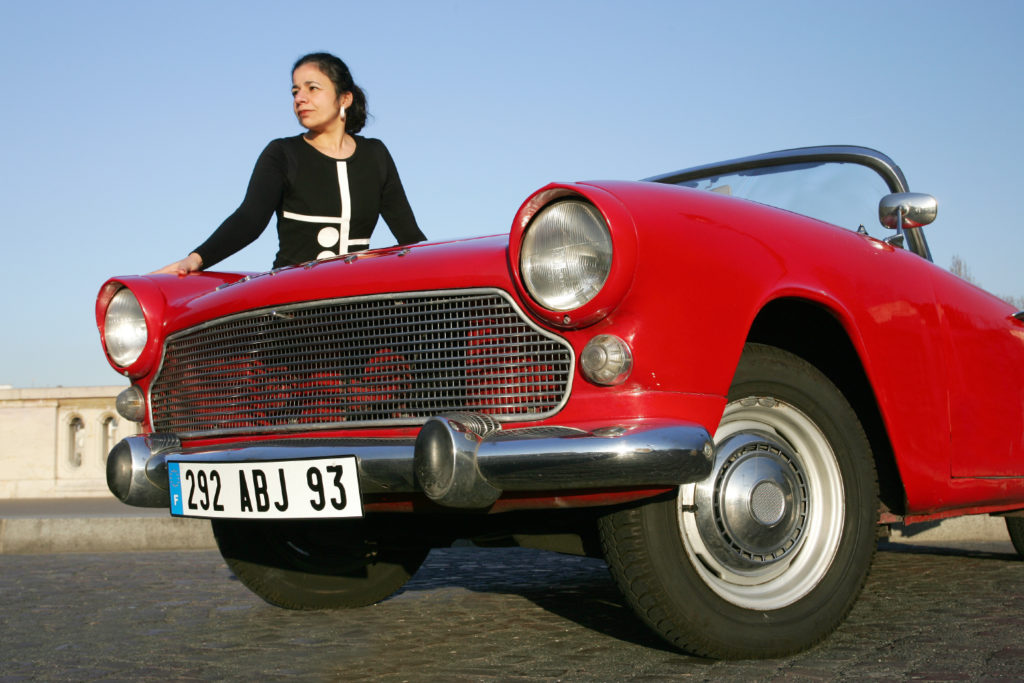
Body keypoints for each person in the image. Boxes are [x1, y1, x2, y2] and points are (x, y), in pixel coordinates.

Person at [155, 52, 425, 275]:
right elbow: (249, 219)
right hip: (290, 305)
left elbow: (410, 236)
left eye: (312, 89)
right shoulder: (282, 153)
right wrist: (197, 258)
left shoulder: (375, 155)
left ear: (344, 99)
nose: (300, 99)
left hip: (354, 307)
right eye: (295, 91)